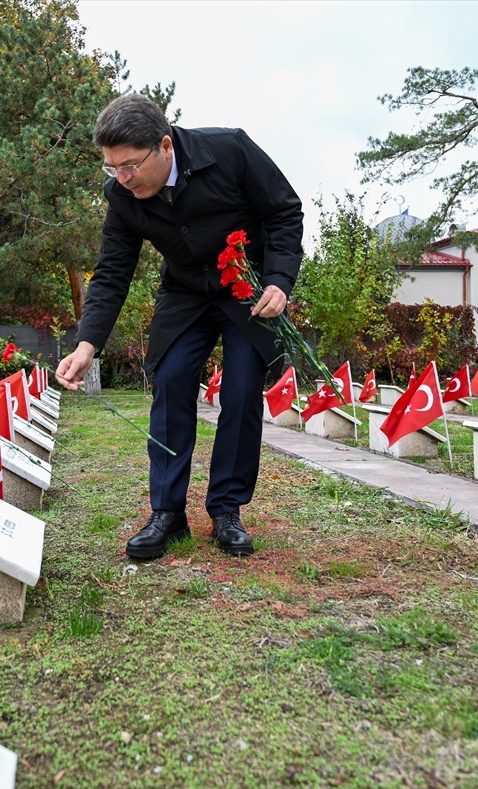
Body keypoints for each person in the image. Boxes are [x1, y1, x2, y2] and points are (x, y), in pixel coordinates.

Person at [56, 93, 303, 559]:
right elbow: (112, 271)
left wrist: (279, 280)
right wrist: (87, 344)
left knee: (242, 392)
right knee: (169, 387)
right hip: (185, 294)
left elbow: (284, 210)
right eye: (112, 168)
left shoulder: (230, 151)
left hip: (247, 291)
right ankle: (167, 514)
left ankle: (226, 510)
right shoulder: (122, 196)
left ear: (165, 146)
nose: (122, 179)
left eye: (129, 165)